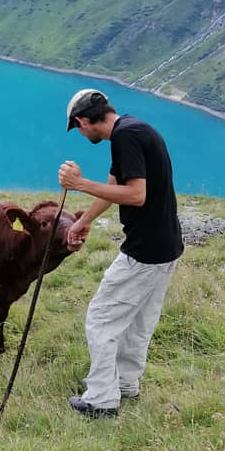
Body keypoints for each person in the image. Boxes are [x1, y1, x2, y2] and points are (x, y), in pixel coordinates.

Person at [57, 89, 183, 418]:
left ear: (83, 121)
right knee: (139, 321)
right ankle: (126, 383)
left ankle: (101, 399)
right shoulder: (129, 130)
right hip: (166, 245)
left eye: (78, 129)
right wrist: (83, 221)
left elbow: (135, 195)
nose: (81, 135)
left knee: (101, 319)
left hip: (144, 251)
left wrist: (79, 183)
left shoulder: (126, 137)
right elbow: (115, 185)